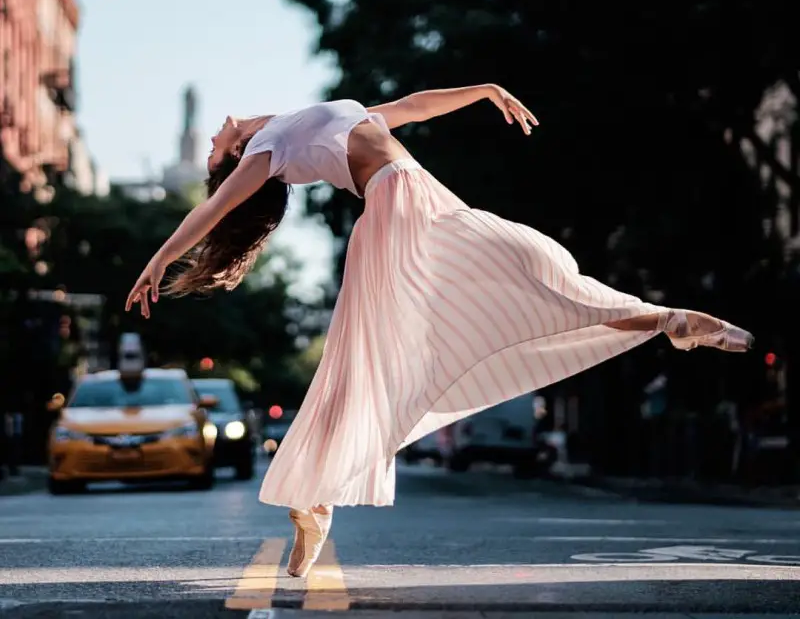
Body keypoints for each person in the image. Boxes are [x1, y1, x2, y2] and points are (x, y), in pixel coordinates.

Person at [126, 84, 753, 577]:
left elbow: (410, 107)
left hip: (424, 199)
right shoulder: (267, 152)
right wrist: (158, 260)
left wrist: (481, 90)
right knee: (363, 358)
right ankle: (316, 496)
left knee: (538, 269)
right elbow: (213, 210)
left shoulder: (303, 118)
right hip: (395, 211)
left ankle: (666, 321)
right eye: (214, 150)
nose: (214, 138)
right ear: (234, 157)